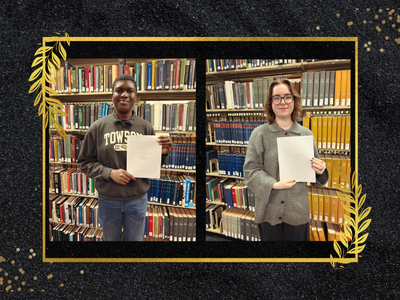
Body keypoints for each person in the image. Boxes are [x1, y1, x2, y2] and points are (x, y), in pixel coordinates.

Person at [78, 74, 172, 241]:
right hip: (108, 200)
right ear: (112, 95)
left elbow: (152, 165)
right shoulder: (97, 127)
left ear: (136, 96)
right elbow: (85, 162)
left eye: (130, 91)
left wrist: (163, 154)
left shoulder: (145, 127)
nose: (124, 94)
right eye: (119, 90)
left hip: (137, 200)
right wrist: (109, 173)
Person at [243, 79, 329, 241]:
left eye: (287, 97)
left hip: (297, 211)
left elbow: (316, 176)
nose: (283, 102)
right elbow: (250, 171)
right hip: (269, 210)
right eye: (277, 97)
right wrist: (273, 184)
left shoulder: (306, 134)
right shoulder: (259, 134)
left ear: (294, 101)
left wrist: (320, 170)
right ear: (271, 103)